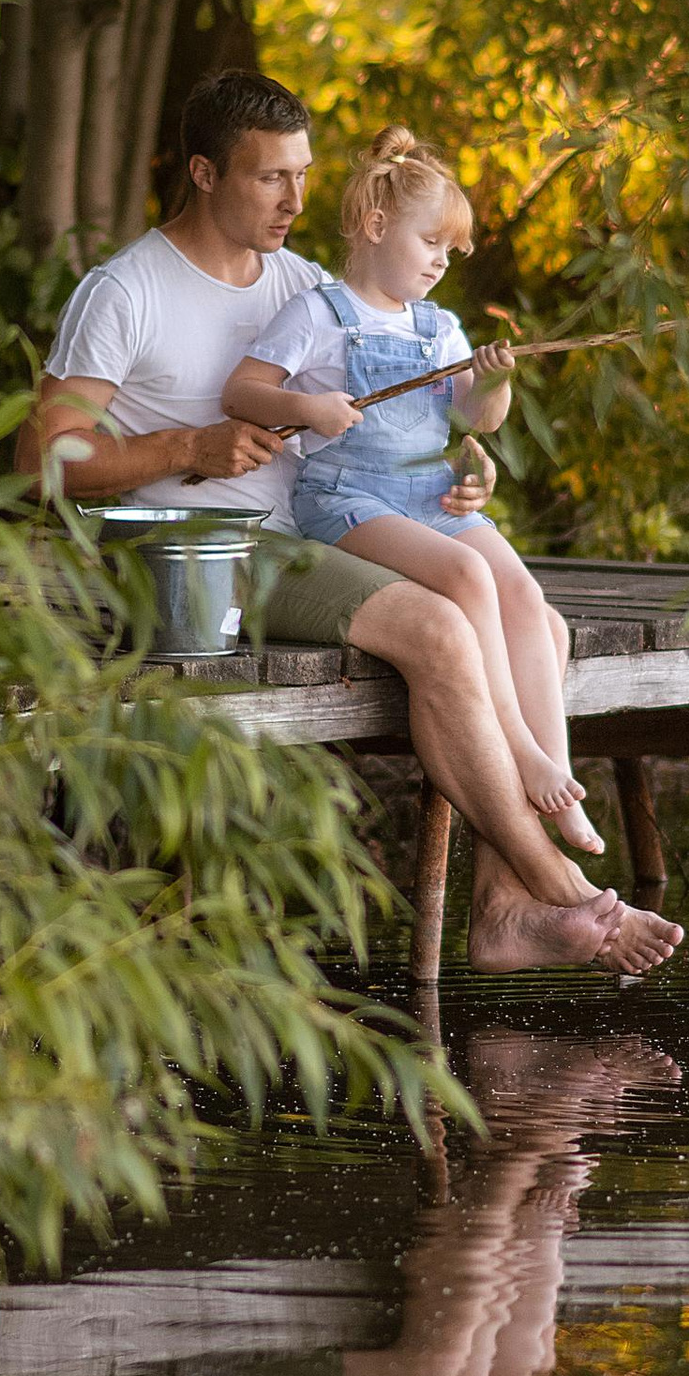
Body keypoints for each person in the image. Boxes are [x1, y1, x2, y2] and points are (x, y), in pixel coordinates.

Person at [14, 67, 682, 978]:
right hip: (200, 554)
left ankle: (501, 911)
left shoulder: (301, 282)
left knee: (542, 625)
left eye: (302, 173)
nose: (296, 199)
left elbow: (383, 416)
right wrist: (191, 448)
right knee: (443, 630)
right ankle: (556, 886)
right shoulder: (126, 290)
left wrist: (454, 468)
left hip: (309, 534)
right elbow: (42, 460)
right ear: (204, 174)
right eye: (269, 178)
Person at [220, 125, 605, 857]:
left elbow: (473, 421)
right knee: (467, 576)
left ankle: (560, 780)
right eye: (432, 243)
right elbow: (242, 392)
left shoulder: (441, 327)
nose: (440, 262)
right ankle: (519, 747)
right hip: (348, 500)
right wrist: (307, 409)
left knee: (525, 595)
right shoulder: (319, 313)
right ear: (375, 226)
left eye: (449, 252)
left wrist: (493, 385)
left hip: (428, 497)